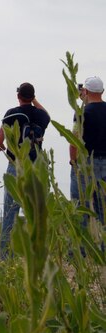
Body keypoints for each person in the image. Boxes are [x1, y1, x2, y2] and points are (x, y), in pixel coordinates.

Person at [0, 83, 50, 259]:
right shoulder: (40, 115)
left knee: (10, 210)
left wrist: (2, 141)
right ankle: (36, 252)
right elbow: (47, 115)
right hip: (36, 165)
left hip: (16, 164)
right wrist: (34, 100)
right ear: (33, 96)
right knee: (36, 210)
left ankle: (5, 255)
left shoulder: (12, 113)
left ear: (18, 95)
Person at [70, 76, 106, 228]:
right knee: (102, 210)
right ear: (102, 91)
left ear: (85, 90)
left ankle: (82, 250)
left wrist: (73, 161)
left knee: (81, 207)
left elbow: (74, 139)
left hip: (86, 163)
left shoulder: (83, 112)